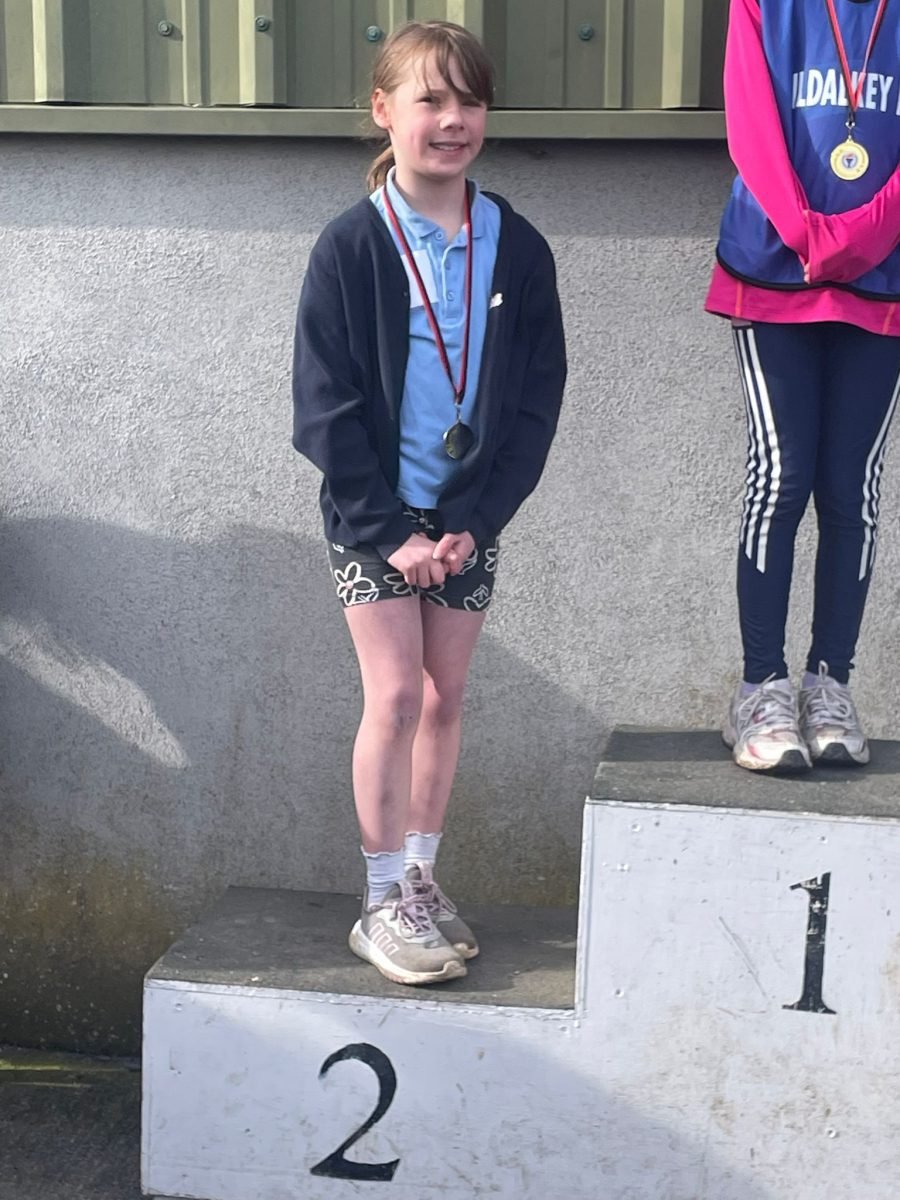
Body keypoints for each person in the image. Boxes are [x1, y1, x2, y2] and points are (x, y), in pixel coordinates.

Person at [292, 21, 566, 983]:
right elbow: (322, 410)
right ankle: (378, 902)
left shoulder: (517, 247)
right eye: (430, 100)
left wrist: (475, 521)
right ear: (383, 111)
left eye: (469, 101)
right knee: (398, 695)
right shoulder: (350, 248)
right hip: (374, 516)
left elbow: (536, 400)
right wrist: (389, 532)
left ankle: (419, 880)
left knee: (446, 697)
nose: (453, 120)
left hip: (464, 521)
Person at [707, 0, 900, 772]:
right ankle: (761, 686)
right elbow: (753, 127)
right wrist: (805, 232)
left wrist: (864, 236)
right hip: (774, 266)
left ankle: (830, 684)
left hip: (884, 273)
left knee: (852, 489)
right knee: (781, 478)